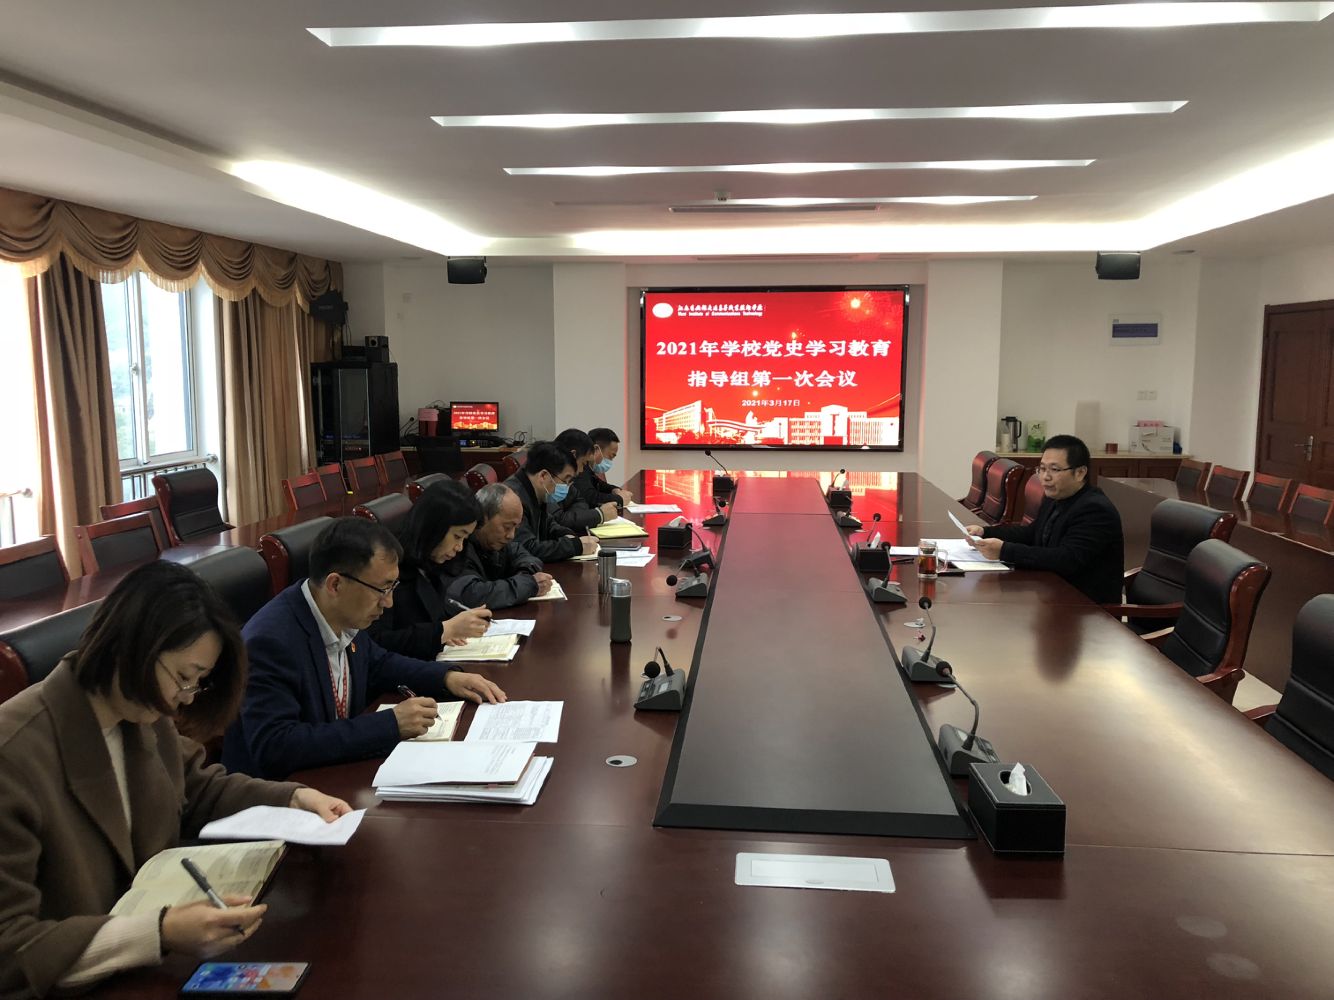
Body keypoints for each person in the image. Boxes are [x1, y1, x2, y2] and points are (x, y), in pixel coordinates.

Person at [0, 561, 351, 998]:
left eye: (197, 683)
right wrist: (159, 932)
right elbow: (9, 950)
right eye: (184, 678)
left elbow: (198, 788)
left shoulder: (138, 711)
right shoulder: (14, 756)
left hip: (141, 973)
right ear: (130, 645)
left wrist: (296, 798)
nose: (183, 699)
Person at [222, 517, 506, 780]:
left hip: (334, 775)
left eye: (393, 587)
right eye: (382, 589)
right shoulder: (270, 641)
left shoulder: (340, 612)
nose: (389, 602)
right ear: (335, 584)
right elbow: (276, 746)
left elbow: (378, 662)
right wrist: (389, 725)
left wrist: (446, 677)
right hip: (282, 795)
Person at [966, 434, 1125, 603]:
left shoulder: (1095, 510)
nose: (1045, 477)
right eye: (1042, 469)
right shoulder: (1056, 497)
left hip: (1086, 607)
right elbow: (1032, 533)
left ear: (1080, 473)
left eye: (1054, 470)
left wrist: (1004, 551)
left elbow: (1067, 559)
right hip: (1053, 593)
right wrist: (985, 532)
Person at [367, 480, 494, 659]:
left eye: (464, 539)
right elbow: (376, 643)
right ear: (433, 527)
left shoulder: (432, 564)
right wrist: (444, 630)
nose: (459, 547)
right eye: (457, 536)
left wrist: (448, 631)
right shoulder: (390, 570)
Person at [441, 483, 555, 608]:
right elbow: (472, 595)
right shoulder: (457, 548)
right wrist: (528, 584)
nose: (511, 535)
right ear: (483, 517)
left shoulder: (494, 542)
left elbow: (524, 555)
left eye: (516, 527)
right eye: (507, 527)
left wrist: (524, 575)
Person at [505, 441, 598, 563]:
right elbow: (527, 548)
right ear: (544, 475)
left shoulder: (534, 490)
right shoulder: (514, 499)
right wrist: (575, 546)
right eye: (565, 480)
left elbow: (548, 523)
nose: (567, 487)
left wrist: (565, 534)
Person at [550, 428, 620, 531]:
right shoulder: (547, 477)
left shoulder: (566, 478)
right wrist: (599, 514)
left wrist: (576, 516)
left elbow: (580, 500)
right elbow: (559, 520)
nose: (581, 470)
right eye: (583, 463)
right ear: (573, 455)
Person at [587, 427, 634, 505]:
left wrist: (614, 490)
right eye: (611, 456)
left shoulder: (589, 470)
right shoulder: (579, 469)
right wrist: (619, 499)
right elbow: (590, 497)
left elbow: (600, 485)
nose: (610, 461)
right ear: (596, 449)